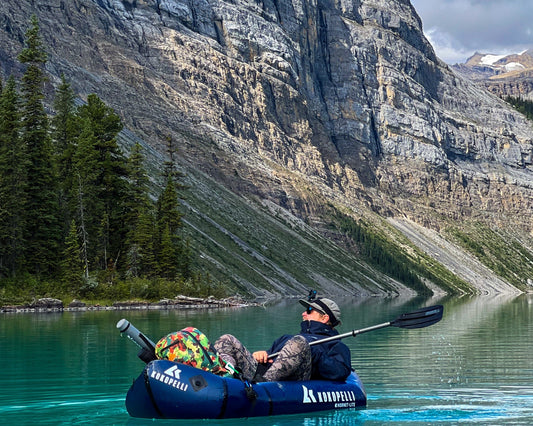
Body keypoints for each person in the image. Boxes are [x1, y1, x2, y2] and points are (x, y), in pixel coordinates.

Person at [214, 295, 352, 383]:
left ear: (324, 317)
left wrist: (315, 353)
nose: (303, 313)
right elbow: (268, 359)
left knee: (299, 342)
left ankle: (265, 386)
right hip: (260, 374)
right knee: (227, 339)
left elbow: (340, 372)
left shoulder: (336, 345)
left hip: (292, 381)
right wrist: (261, 355)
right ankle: (226, 377)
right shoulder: (287, 338)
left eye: (309, 310)